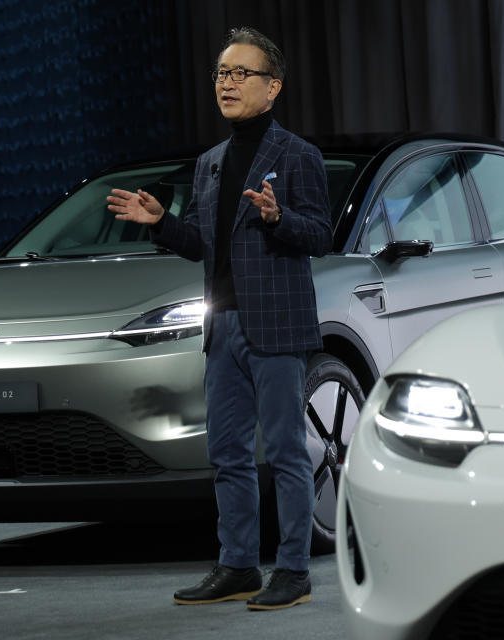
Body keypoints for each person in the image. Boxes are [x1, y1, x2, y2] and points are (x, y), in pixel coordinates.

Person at [107, 27, 331, 611]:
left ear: (273, 87)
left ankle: (294, 569)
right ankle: (237, 565)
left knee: (284, 450)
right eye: (220, 74)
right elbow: (204, 245)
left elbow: (322, 236)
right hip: (223, 326)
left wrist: (281, 218)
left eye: (240, 74)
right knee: (227, 453)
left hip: (277, 326)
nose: (226, 84)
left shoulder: (297, 155)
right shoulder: (208, 164)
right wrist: (159, 222)